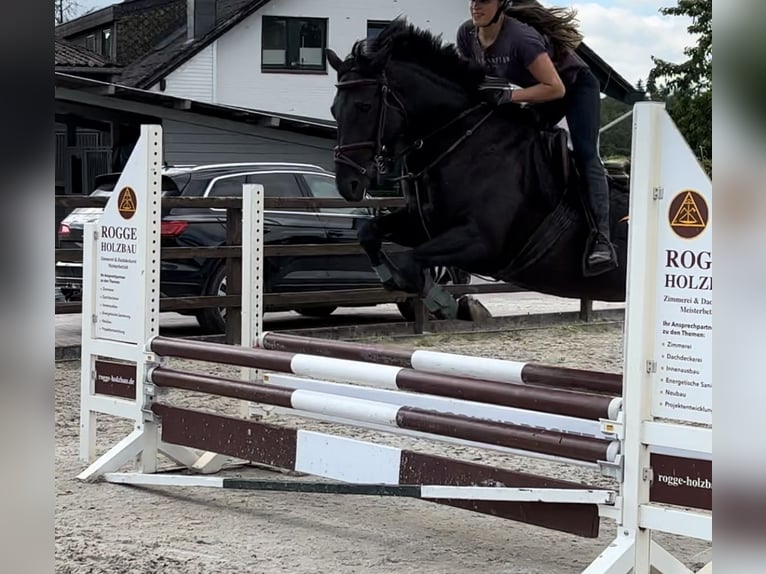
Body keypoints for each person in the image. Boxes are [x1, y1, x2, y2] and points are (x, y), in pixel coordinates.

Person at [456, 0, 618, 277]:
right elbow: (474, 82)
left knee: (585, 152)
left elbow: (556, 88)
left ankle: (601, 240)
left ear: (500, 5)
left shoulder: (521, 38)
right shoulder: (466, 35)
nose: (475, 6)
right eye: (472, 0)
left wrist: (509, 96)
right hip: (541, 89)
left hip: (575, 87)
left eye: (483, 1)